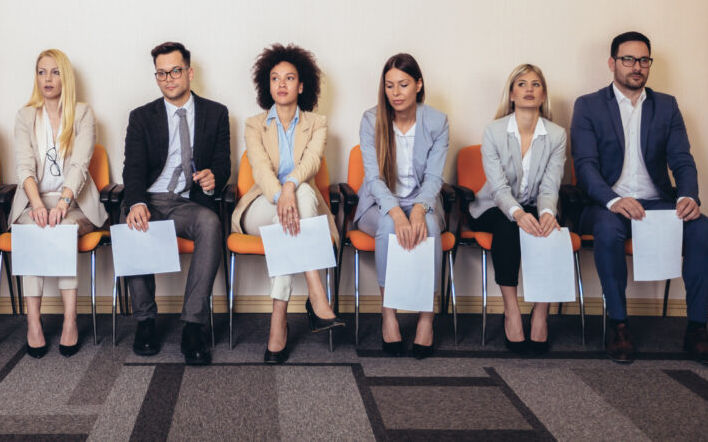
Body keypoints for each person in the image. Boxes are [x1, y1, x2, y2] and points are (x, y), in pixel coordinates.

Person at [572, 31, 708, 366]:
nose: (636, 67)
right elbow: (585, 165)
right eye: (628, 59)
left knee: (703, 229)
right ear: (612, 63)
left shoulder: (666, 105)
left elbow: (681, 159)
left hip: (657, 203)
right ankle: (619, 325)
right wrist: (612, 200)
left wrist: (688, 196)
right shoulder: (589, 105)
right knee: (608, 230)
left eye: (643, 60)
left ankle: (697, 328)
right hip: (607, 204)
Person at [231, 44, 345, 364]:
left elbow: (310, 162)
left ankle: (277, 319)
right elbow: (260, 168)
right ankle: (315, 289)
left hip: (298, 206)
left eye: (289, 78)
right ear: (267, 85)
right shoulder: (255, 124)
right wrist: (282, 194)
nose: (281, 84)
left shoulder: (317, 123)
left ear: (302, 85)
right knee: (299, 203)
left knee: (303, 197)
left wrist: (291, 186)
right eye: (275, 78)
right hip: (261, 206)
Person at [122, 42, 230, 365]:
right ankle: (145, 321)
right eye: (161, 73)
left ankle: (193, 325)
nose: (169, 78)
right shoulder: (141, 117)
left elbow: (223, 164)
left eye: (175, 71)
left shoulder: (216, 113)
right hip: (151, 198)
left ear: (189, 72)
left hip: (187, 201)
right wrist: (136, 202)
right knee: (132, 224)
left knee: (211, 223)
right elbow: (134, 168)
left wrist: (215, 178)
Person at [9, 49, 108, 358]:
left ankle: (69, 319)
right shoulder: (25, 116)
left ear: (66, 77)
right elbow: (24, 167)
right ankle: (33, 322)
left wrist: (62, 204)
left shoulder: (82, 113)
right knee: (35, 231)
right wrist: (38, 206)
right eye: (41, 72)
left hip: (75, 204)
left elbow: (80, 165)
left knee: (61, 229)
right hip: (33, 202)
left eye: (55, 72)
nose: (47, 79)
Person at [354, 53, 448, 359]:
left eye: (403, 84)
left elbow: (434, 177)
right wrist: (396, 213)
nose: (396, 92)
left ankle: (426, 319)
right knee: (386, 228)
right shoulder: (371, 120)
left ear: (418, 85)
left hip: (424, 200)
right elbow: (373, 178)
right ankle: (389, 314)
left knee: (430, 228)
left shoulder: (437, 121)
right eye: (390, 85)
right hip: (379, 203)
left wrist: (419, 209)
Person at [469, 64, 566, 355]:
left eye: (536, 84)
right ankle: (512, 311)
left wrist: (547, 214)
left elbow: (550, 187)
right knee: (508, 226)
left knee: (550, 230)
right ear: (511, 94)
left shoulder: (557, 135)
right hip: (493, 206)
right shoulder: (494, 131)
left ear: (543, 94)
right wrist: (518, 213)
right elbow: (498, 188)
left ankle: (540, 313)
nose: (529, 90)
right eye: (521, 84)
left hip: (537, 204)